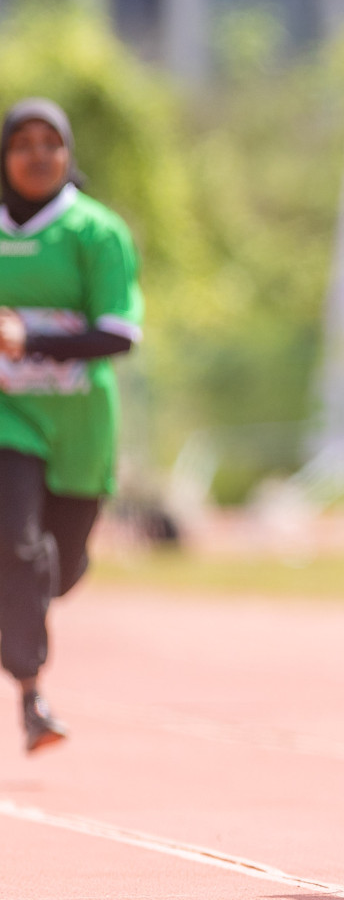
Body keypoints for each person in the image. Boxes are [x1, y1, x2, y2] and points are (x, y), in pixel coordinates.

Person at [0, 99, 143, 754]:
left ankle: (20, 620)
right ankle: (32, 692)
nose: (36, 154)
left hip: (81, 427)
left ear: (68, 154)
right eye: (21, 142)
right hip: (11, 420)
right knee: (14, 543)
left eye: (49, 142)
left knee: (61, 568)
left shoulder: (96, 232)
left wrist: (27, 336)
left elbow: (118, 334)